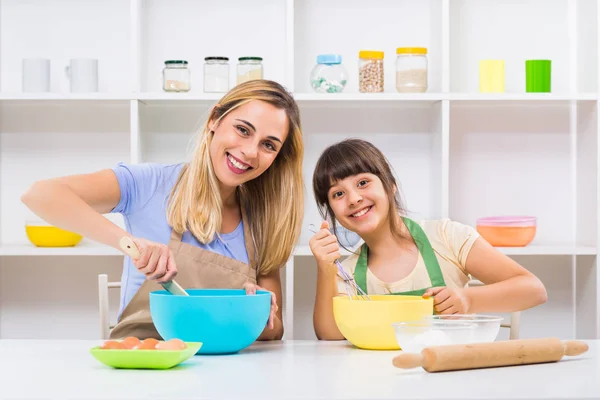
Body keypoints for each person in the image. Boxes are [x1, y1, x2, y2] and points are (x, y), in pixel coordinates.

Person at [21, 79, 304, 341]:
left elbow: (273, 331)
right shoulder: (149, 184)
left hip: (225, 368)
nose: (251, 152)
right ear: (214, 120)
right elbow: (40, 195)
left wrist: (255, 310)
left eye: (268, 145)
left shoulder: (264, 220)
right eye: (243, 130)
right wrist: (129, 244)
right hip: (145, 364)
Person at [309, 138, 547, 340]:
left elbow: (533, 290)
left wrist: (467, 299)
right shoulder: (345, 271)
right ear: (332, 211)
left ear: (390, 186)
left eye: (363, 183)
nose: (353, 199)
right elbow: (330, 336)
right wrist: (325, 268)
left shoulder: (447, 236)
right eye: (338, 193)